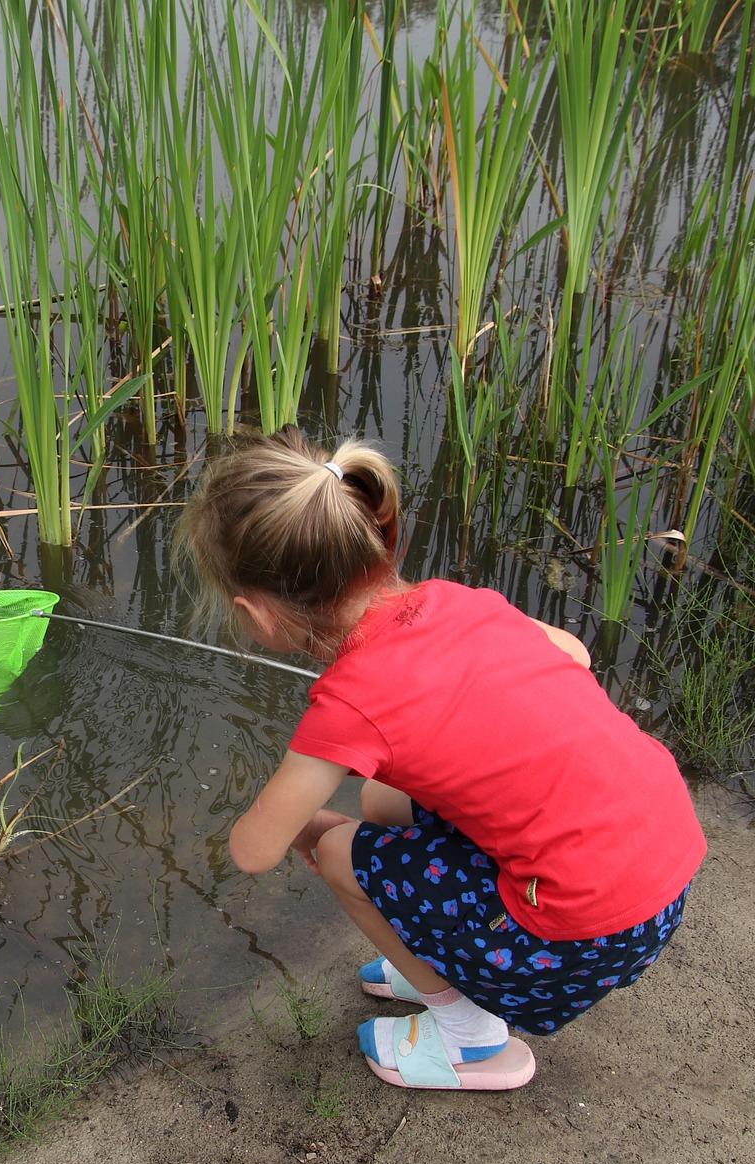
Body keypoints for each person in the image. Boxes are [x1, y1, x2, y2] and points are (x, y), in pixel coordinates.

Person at [177, 431, 705, 1090]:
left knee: (346, 853)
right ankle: (444, 952)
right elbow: (573, 652)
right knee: (380, 802)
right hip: (663, 871)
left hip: (579, 940)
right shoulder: (458, 601)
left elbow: (254, 849)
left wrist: (312, 829)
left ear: (256, 617)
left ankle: (472, 1039)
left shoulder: (348, 706)